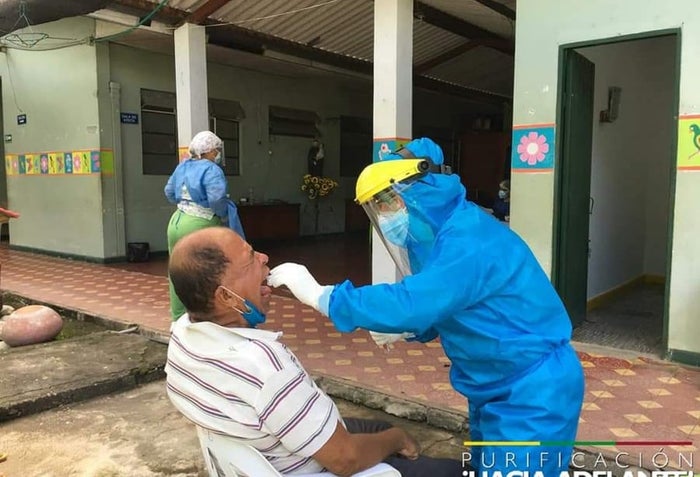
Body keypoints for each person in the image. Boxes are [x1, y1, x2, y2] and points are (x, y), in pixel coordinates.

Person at [267, 138, 585, 475]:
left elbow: (415, 301)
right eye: (378, 206)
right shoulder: (437, 238)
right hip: (491, 386)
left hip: (532, 391)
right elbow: (449, 306)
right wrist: (411, 331)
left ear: (424, 189)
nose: (385, 215)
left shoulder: (469, 238)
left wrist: (325, 297)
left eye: (389, 201)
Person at [165, 226, 464, 477]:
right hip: (318, 465)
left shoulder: (182, 335)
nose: (264, 257)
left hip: (271, 451)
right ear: (226, 297)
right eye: (251, 258)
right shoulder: (264, 366)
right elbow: (345, 459)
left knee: (379, 428)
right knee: (451, 469)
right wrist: (397, 439)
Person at [164, 130, 244, 322]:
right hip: (200, 223)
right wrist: (222, 213)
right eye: (216, 150)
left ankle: (178, 319)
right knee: (204, 274)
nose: (217, 154)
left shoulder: (183, 166)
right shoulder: (212, 170)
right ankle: (203, 319)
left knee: (176, 271)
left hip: (176, 222)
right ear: (207, 151)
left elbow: (169, 191)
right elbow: (216, 198)